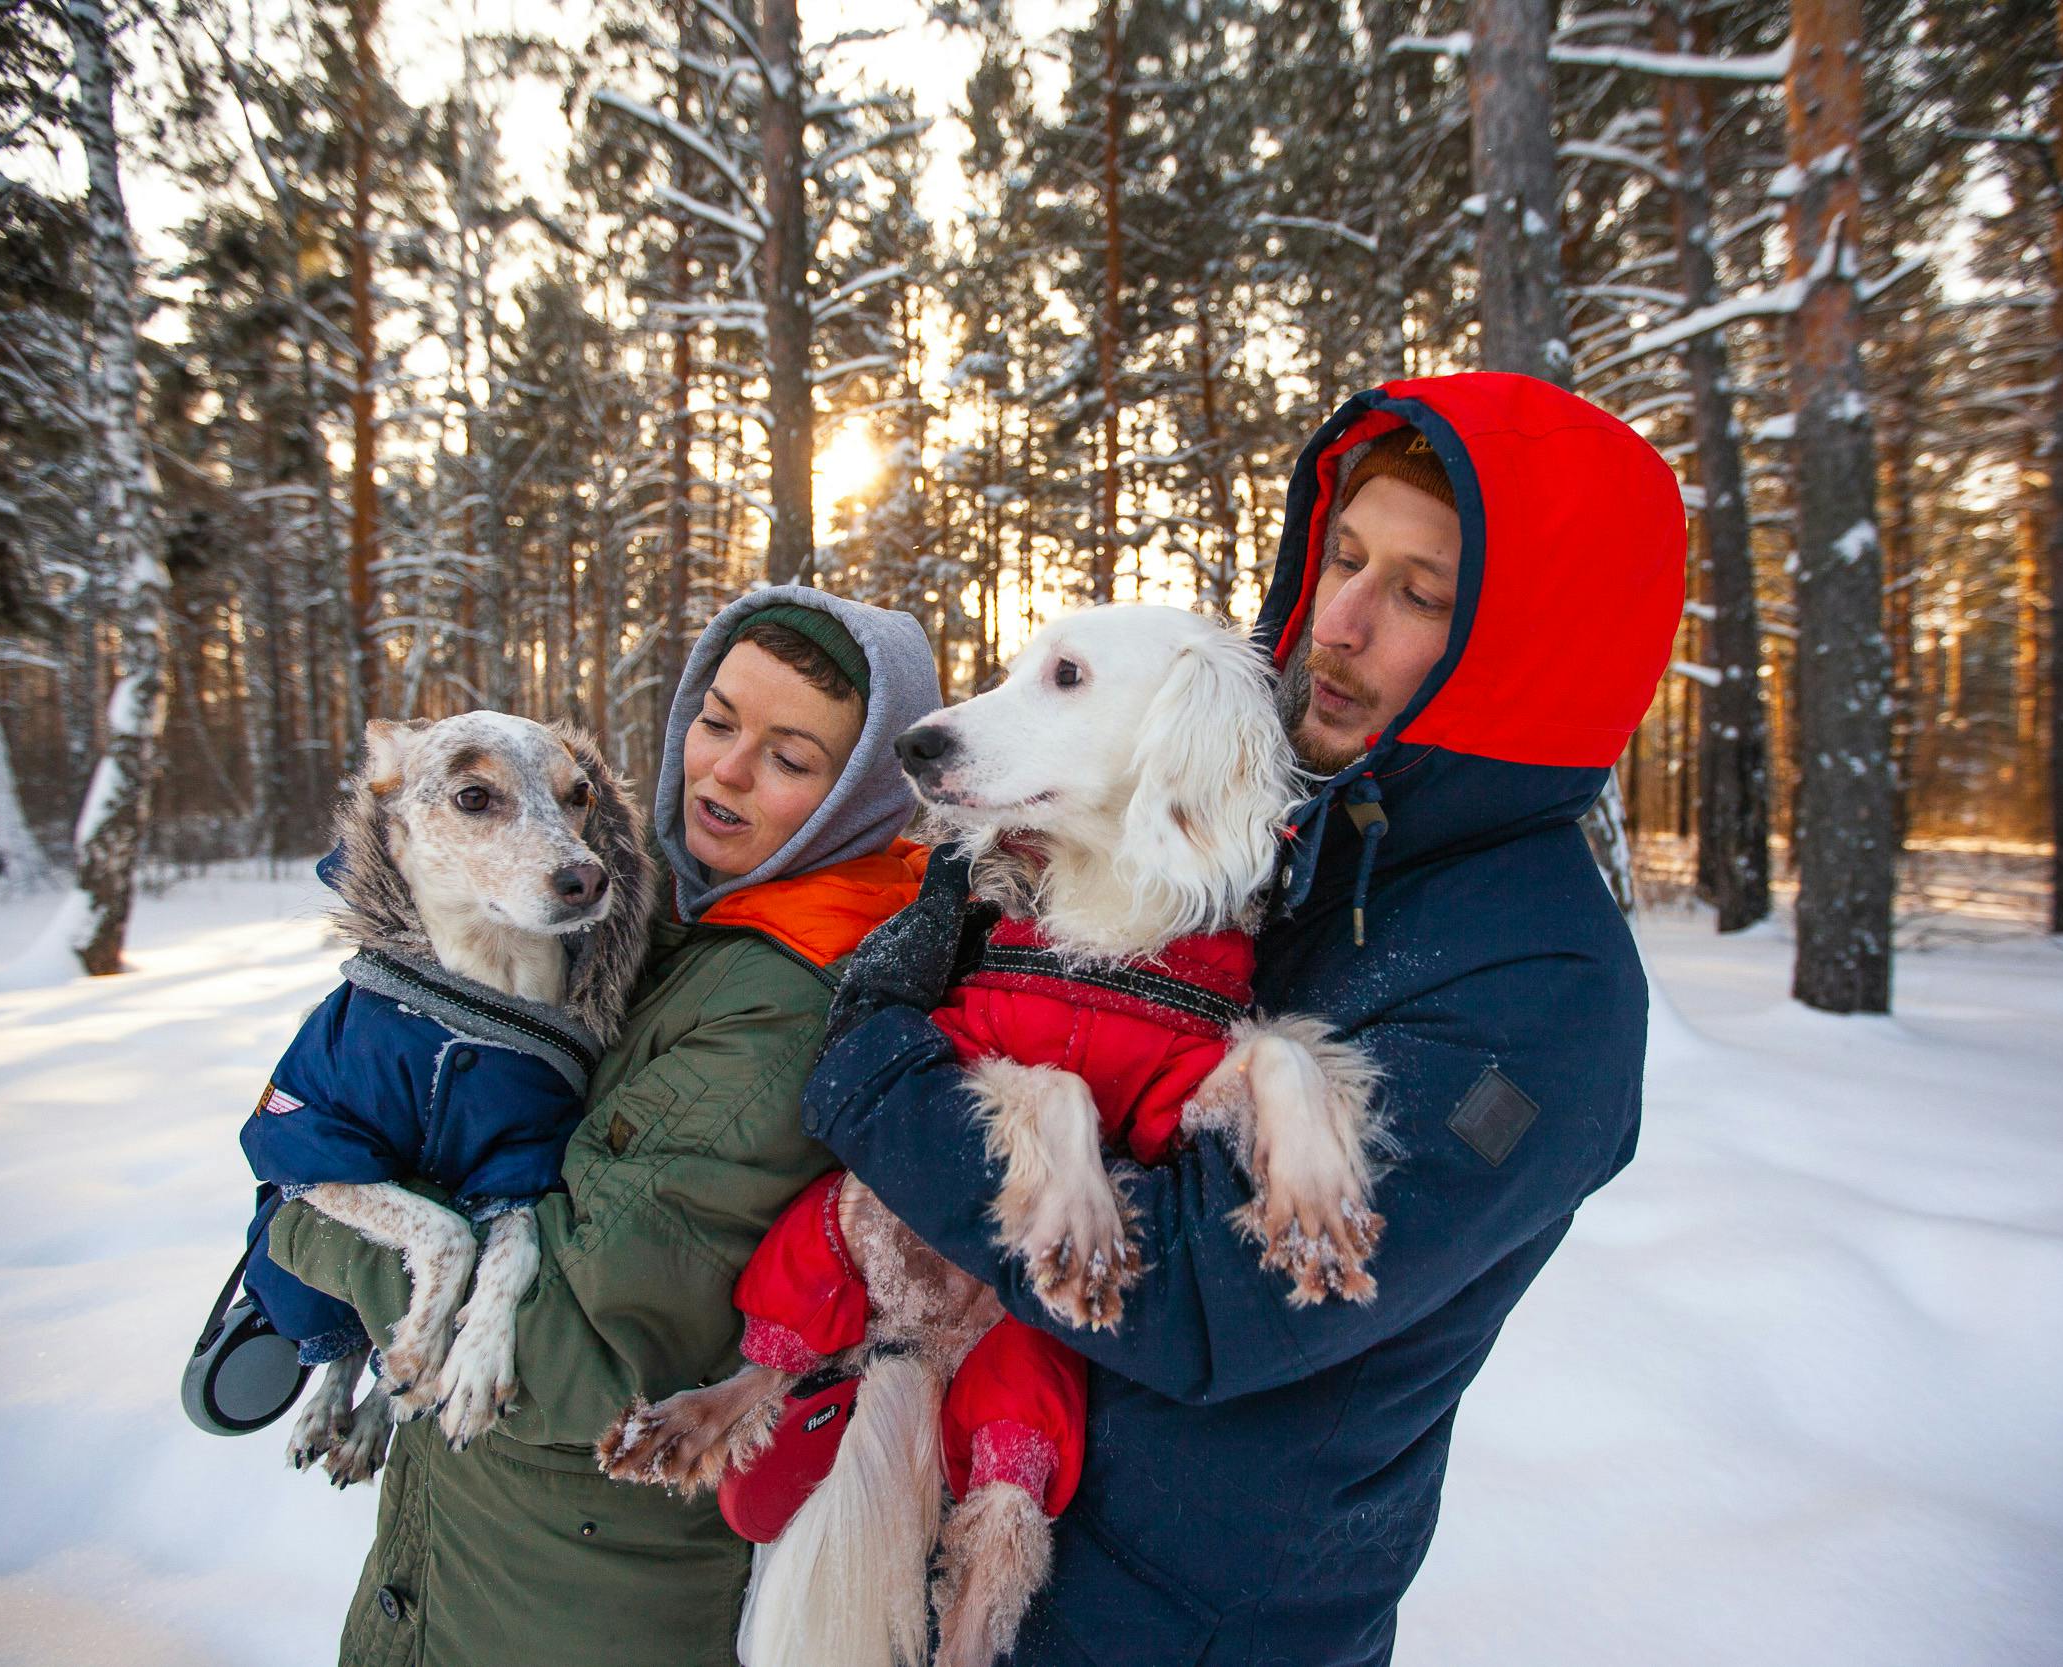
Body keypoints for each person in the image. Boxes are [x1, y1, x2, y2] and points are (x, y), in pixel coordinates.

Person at [805, 372, 1686, 1665]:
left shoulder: (1548, 993)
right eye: (1342, 556)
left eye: (1418, 593)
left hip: (1177, 1628)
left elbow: (1207, 1295)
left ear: (1527, 658)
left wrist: (881, 1073)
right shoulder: (1287, 846)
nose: (1337, 618)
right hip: (982, 1538)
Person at [268, 586, 942, 1667]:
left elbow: (570, 1348)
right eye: (717, 720)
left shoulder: (783, 1004)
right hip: (483, 1550)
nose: (722, 769)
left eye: (789, 757)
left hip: (568, 1592)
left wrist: (305, 1225)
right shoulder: (669, 919)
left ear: (857, 793)